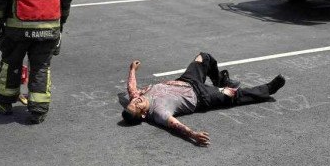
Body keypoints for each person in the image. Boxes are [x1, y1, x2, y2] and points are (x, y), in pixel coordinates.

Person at [121, 53, 286, 146]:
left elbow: (131, 88)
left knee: (203, 57)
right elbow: (176, 125)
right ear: (142, 114)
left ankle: (219, 80)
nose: (135, 101)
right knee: (233, 94)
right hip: (201, 96)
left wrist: (132, 69)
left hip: (186, 80)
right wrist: (194, 135)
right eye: (135, 106)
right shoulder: (158, 113)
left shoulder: (137, 98)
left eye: (132, 102)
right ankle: (268, 89)